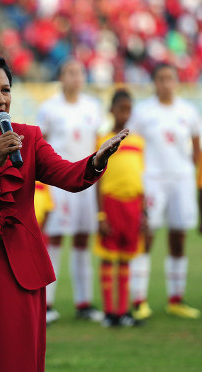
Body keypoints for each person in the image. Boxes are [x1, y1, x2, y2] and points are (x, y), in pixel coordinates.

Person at [0, 50, 128, 372]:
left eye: (6, 89)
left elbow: (67, 176)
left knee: (15, 359)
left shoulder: (28, 137)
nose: (1, 99)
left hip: (17, 272)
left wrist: (96, 161)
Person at [127, 63, 200, 320]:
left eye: (170, 78)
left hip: (181, 179)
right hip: (152, 180)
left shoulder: (188, 111)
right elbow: (132, 147)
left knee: (179, 236)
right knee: (146, 236)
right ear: (154, 82)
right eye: (161, 79)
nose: (166, 83)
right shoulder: (143, 112)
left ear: (177, 82)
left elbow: (196, 148)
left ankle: (176, 299)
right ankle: (139, 299)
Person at [36, 59, 104, 323]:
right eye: (70, 72)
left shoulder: (92, 107)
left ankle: (84, 302)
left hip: (86, 181)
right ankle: (47, 303)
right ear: (61, 76)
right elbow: (39, 144)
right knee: (54, 239)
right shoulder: (50, 108)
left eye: (80, 72)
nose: (76, 77)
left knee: (82, 239)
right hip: (59, 183)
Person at [94, 89, 145, 327]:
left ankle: (123, 311)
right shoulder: (102, 139)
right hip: (111, 204)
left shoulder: (138, 142)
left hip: (132, 205)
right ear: (111, 110)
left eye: (129, 109)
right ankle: (109, 311)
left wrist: (143, 211)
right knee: (108, 257)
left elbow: (140, 177)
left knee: (125, 258)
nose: (125, 113)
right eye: (121, 108)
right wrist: (101, 214)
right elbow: (96, 179)